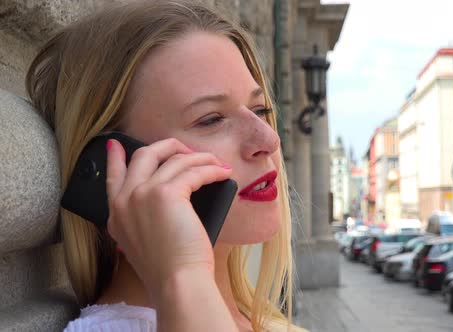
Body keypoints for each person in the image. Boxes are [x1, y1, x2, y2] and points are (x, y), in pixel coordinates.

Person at [25, 1, 302, 331]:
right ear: (116, 166)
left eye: (260, 110)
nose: (268, 139)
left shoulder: (257, 316)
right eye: (211, 119)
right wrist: (182, 274)